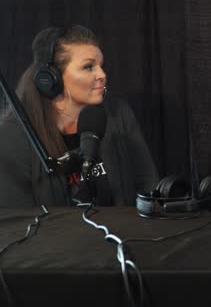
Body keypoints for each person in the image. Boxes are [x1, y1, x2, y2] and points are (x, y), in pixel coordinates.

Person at [0, 25, 158, 207]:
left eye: (101, 66)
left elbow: (147, 183)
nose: (102, 75)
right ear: (52, 78)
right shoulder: (12, 137)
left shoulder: (118, 113)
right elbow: (17, 220)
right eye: (89, 67)